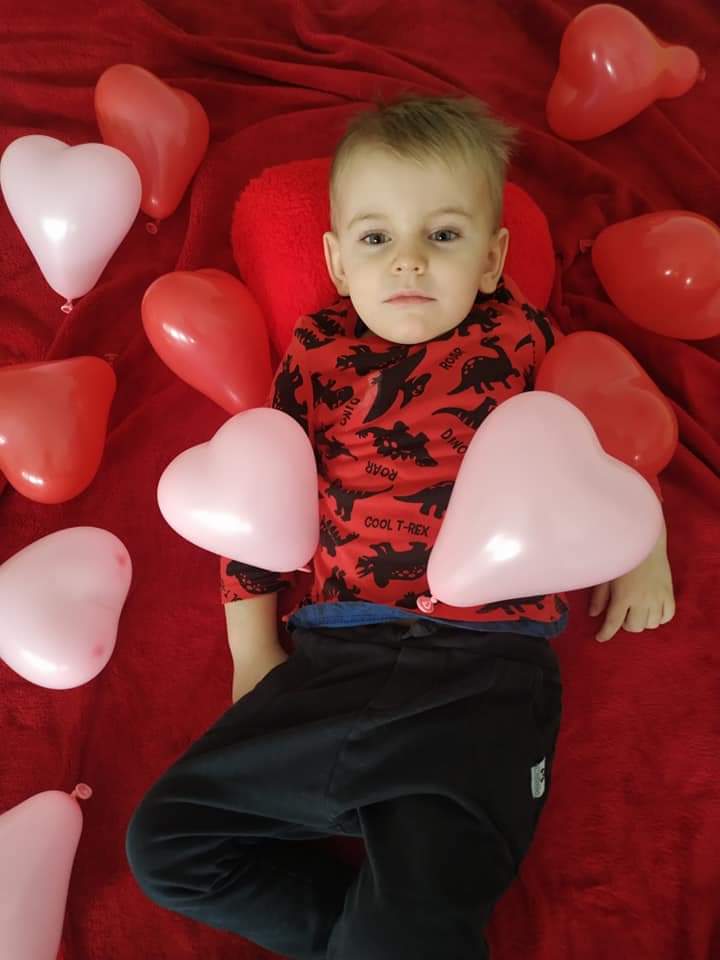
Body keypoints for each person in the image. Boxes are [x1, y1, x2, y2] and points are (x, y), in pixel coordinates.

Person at [126, 94, 675, 960]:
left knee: (412, 915)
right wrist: (252, 649)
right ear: (338, 262)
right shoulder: (314, 352)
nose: (409, 260)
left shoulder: (527, 340)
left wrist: (645, 542)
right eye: (377, 238)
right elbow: (254, 494)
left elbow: (606, 438)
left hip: (483, 669)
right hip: (335, 659)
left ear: (492, 258)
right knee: (165, 845)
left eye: (444, 235)